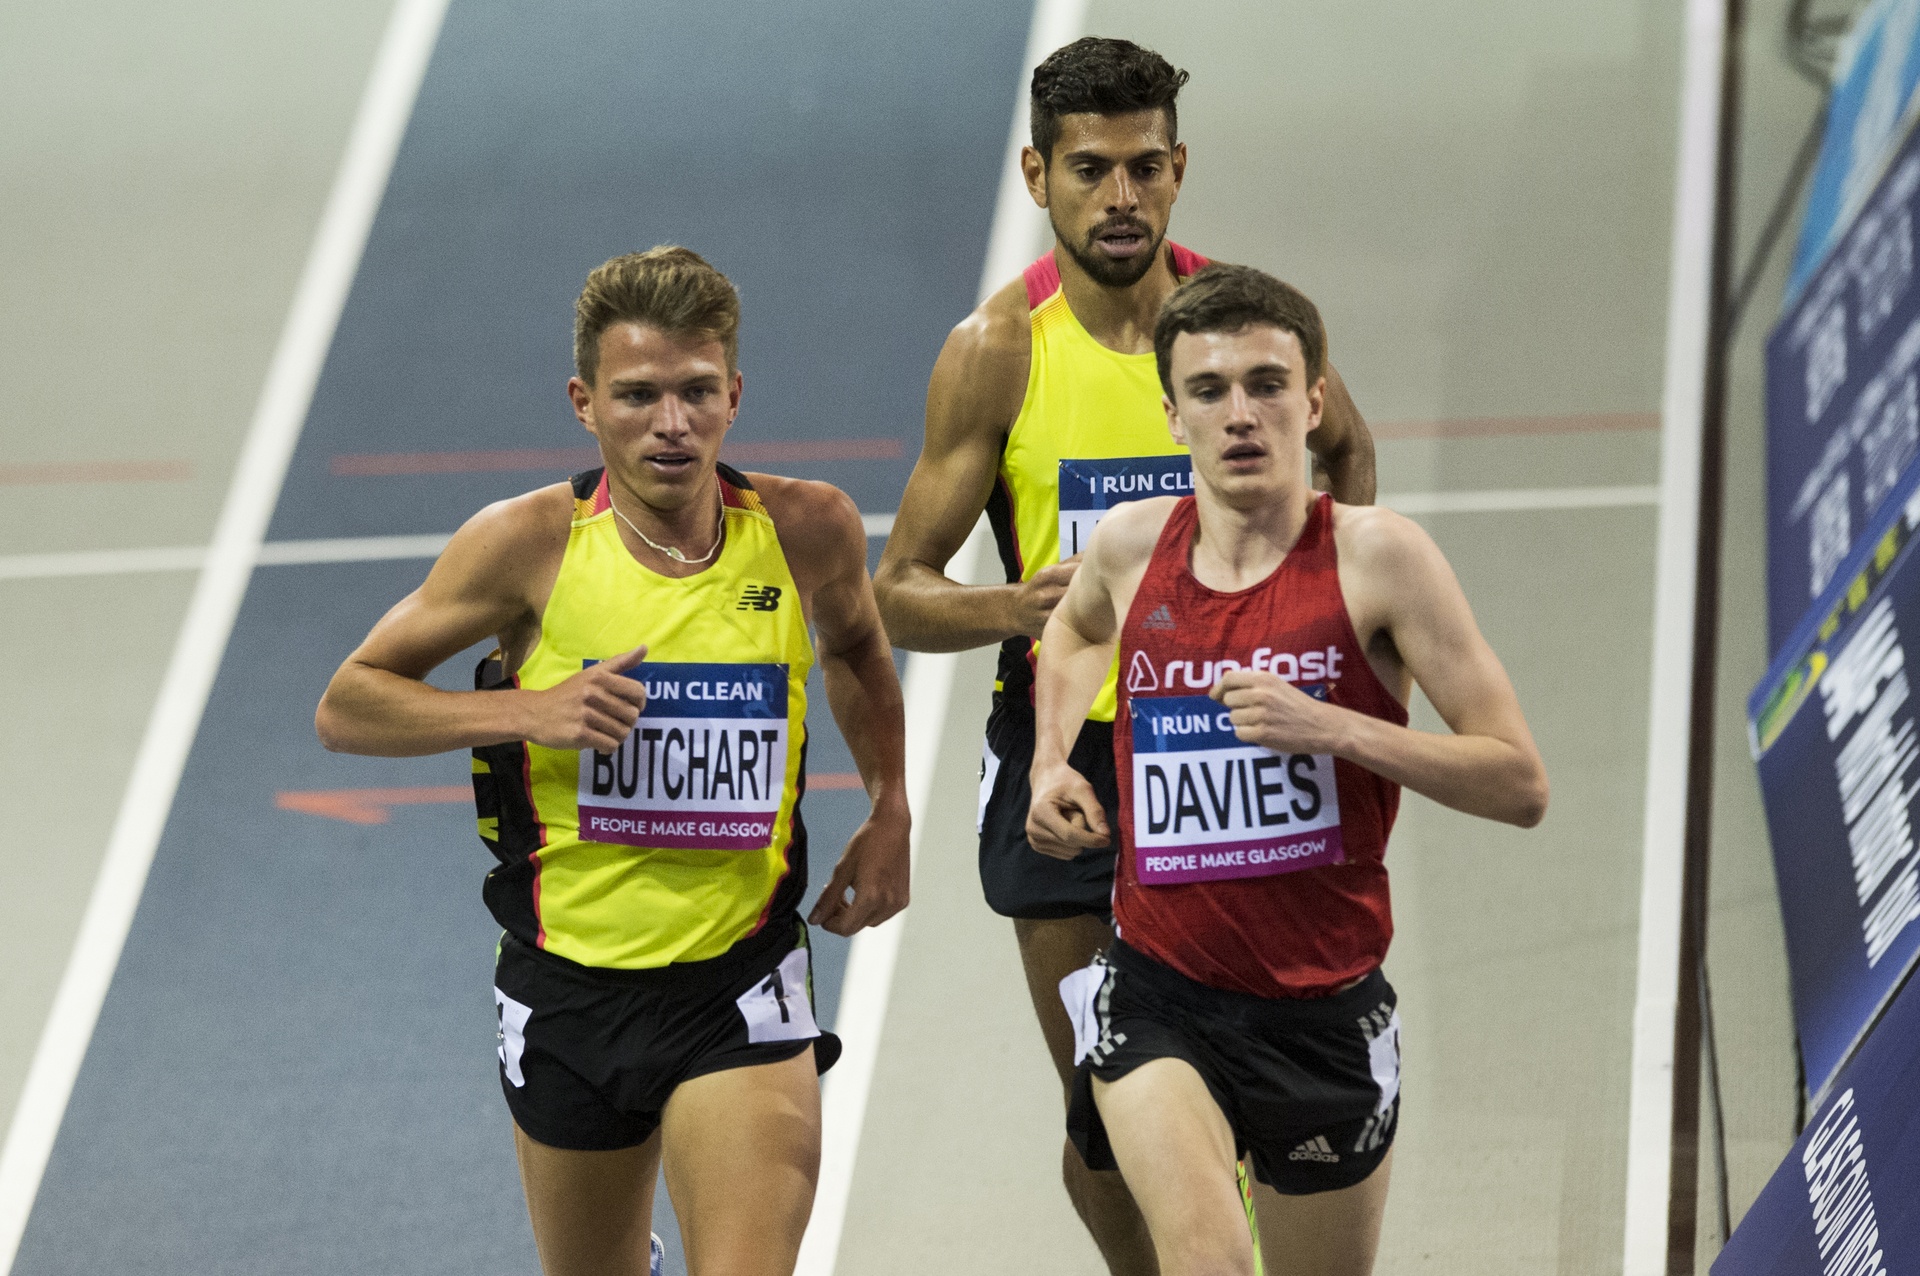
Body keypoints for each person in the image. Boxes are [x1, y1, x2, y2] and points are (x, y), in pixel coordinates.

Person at [873, 36, 1376, 1273]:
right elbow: (898, 591)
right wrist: (1016, 610)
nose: (1121, 199)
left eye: (1145, 169)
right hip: (1076, 755)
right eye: (1090, 171)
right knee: (1107, 1111)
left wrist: (1334, 620)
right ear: (1037, 173)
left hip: (1226, 741)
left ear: (1179, 166)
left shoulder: (1234, 331)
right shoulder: (998, 353)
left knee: (1247, 1076)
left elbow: (1351, 458)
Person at [314, 246, 910, 1276]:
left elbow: (856, 644)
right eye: (638, 395)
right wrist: (525, 710)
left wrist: (891, 803)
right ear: (585, 401)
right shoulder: (525, 545)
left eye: (695, 393)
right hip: (568, 987)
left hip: (740, 977)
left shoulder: (808, 527)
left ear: (735, 394)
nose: (670, 423)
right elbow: (347, 704)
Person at [1026, 264, 1547, 1276]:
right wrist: (1050, 761)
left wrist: (1340, 729)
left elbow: (1519, 780)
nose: (1240, 414)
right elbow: (1075, 633)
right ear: (1172, 413)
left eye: (1267, 384)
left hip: (1324, 1011)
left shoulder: (1381, 560)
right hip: (1158, 991)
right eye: (1210, 391)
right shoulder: (1134, 548)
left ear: (1314, 401)